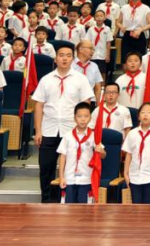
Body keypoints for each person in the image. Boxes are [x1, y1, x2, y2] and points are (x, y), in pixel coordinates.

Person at [32, 45, 96, 203]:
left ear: (73, 59)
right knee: (46, 168)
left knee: (71, 167)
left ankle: (67, 200)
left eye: (68, 55)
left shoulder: (81, 79)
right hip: (49, 129)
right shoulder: (46, 79)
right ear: (56, 59)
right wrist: (38, 131)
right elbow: (39, 106)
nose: (65, 58)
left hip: (72, 131)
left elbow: (85, 104)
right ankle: (47, 201)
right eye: (61, 55)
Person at [56, 101, 104, 204]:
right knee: (68, 208)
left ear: (90, 118)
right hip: (69, 178)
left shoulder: (94, 136)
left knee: (84, 208)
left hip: (86, 179)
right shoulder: (68, 136)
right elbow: (62, 157)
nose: (83, 119)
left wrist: (101, 151)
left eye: (86, 116)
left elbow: (103, 155)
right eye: (79, 116)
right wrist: (61, 177)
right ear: (74, 118)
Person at [122, 102, 150, 205]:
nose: (145, 115)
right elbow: (129, 154)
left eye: (149, 112)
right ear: (138, 116)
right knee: (136, 205)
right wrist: (125, 174)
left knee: (148, 206)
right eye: (142, 112)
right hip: (134, 176)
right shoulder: (132, 133)